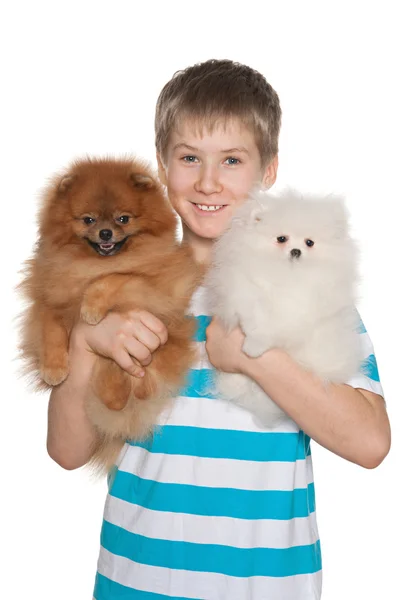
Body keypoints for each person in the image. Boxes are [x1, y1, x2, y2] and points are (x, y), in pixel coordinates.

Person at [47, 59, 390, 599]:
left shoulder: (310, 284)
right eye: (189, 158)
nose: (208, 182)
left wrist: (256, 357)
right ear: (163, 166)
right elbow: (66, 452)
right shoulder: (117, 284)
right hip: (135, 583)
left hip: (267, 587)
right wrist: (88, 344)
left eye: (232, 159)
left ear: (268, 170)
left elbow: (370, 443)